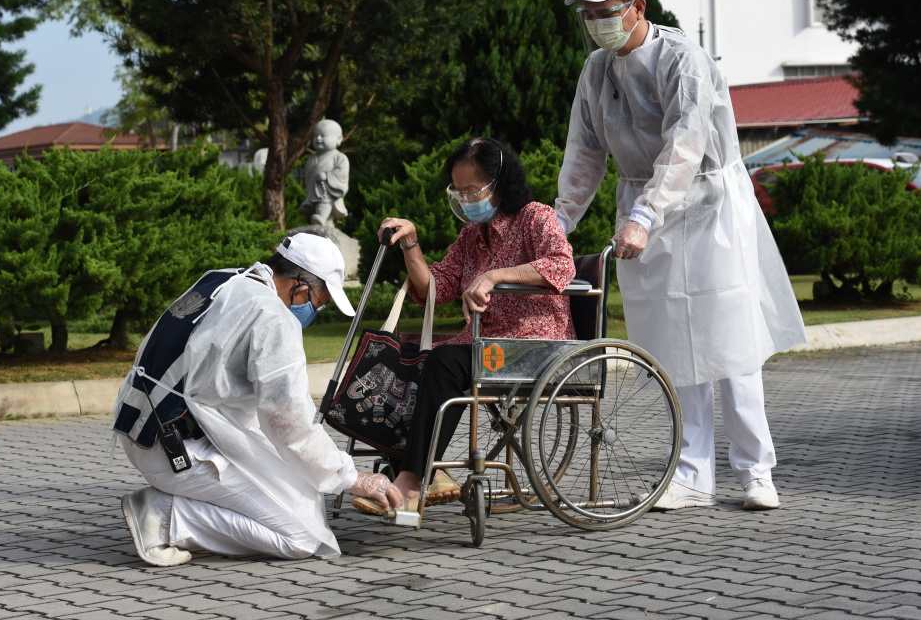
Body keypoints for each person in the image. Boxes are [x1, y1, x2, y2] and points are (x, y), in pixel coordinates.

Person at [556, 0, 806, 511]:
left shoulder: (684, 60)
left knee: (730, 338)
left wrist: (646, 215)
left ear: (636, 7)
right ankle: (692, 473)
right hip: (644, 209)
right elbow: (584, 152)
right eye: (590, 14)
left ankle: (755, 469)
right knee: (674, 346)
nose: (597, 22)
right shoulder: (597, 71)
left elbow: (686, 145)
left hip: (709, 206)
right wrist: (559, 221)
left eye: (606, 12)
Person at [112, 233, 402, 566]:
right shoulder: (273, 318)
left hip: (147, 429)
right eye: (319, 303)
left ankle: (180, 509)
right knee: (302, 536)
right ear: (302, 288)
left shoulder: (222, 280)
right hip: (176, 449)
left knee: (305, 495)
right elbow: (289, 421)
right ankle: (165, 517)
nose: (314, 312)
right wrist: (351, 477)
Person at [354, 137, 577, 515]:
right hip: (485, 346)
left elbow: (561, 264)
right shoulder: (472, 236)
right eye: (459, 192)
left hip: (534, 345)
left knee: (446, 363)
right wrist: (410, 243)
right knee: (405, 362)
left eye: (473, 190)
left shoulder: (536, 218)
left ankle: (412, 481)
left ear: (500, 182)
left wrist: (494, 276)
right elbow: (433, 289)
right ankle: (422, 470)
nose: (466, 199)